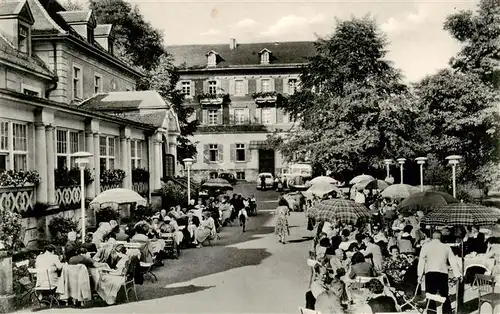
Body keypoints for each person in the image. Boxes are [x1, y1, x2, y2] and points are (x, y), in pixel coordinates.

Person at [417, 231, 461, 314]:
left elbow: (421, 261)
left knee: (430, 294)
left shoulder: (425, 246)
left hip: (430, 272)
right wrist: (457, 274)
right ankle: (447, 312)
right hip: (442, 272)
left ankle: (431, 312)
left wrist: (419, 275)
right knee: (444, 294)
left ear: (432, 237)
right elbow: (452, 260)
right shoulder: (446, 247)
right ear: (440, 238)